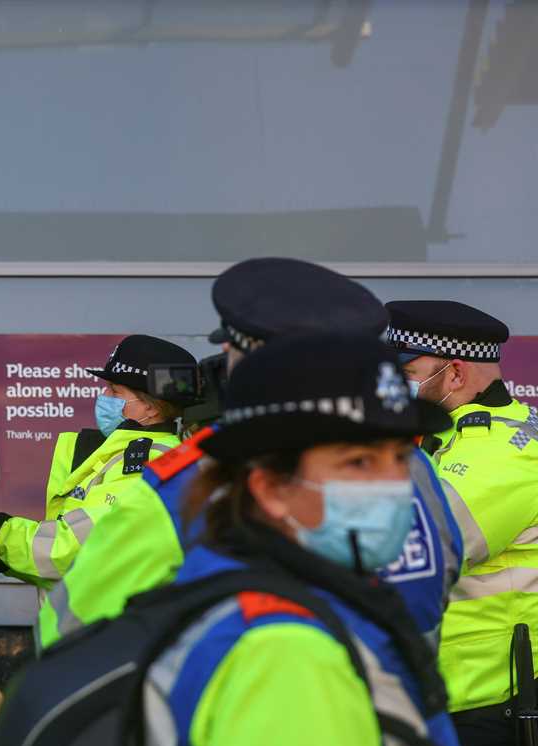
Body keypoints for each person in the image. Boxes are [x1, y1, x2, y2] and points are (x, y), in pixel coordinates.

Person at [134, 333, 481, 746]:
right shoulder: (284, 652)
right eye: (358, 462)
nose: (392, 485)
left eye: (399, 457)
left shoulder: (338, 603)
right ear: (271, 489)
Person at [37, 258, 463, 650]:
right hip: (405, 717)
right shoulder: (410, 464)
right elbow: (440, 579)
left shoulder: (202, 474)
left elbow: (75, 621)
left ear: (238, 355)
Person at [386, 299, 538, 746]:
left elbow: (405, 550)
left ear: (455, 372)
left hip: (489, 711)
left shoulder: (503, 454)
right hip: (445, 701)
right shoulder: (449, 440)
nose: (395, 387)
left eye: (406, 373)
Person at [0, 334, 195, 584]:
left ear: (152, 408)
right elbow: (65, 568)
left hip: (103, 621)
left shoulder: (147, 463)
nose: (103, 396)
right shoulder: (126, 452)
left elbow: (78, 549)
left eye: (114, 391)